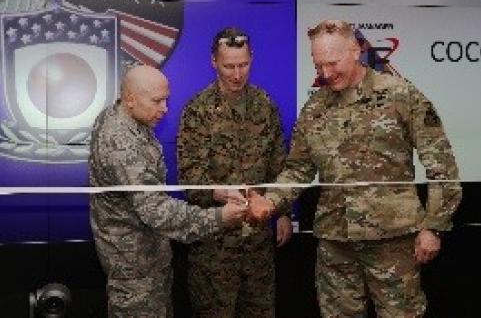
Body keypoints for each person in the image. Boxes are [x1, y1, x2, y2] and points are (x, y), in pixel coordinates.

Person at [248, 20, 462, 317]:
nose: (325, 73)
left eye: (332, 63)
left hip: (392, 240)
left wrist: (434, 227)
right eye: (318, 65)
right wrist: (271, 200)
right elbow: (297, 169)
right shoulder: (315, 108)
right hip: (336, 242)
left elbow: (442, 166)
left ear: (356, 49)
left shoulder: (400, 95)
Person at [89, 65, 247, 317]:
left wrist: (216, 193)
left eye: (166, 100)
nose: (165, 109)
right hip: (134, 271)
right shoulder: (120, 142)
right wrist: (218, 218)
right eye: (157, 101)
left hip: (148, 261)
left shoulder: (124, 117)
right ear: (130, 99)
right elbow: (157, 211)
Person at [177, 27, 292, 317]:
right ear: (213, 62)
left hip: (257, 243)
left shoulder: (265, 106)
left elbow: (280, 166)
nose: (237, 74)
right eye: (229, 66)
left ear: (252, 58)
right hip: (215, 245)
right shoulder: (198, 110)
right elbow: (190, 179)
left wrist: (284, 212)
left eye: (243, 64)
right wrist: (226, 194)